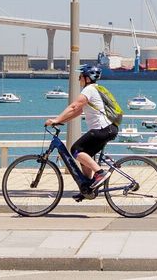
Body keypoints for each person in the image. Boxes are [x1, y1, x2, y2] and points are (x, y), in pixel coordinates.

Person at [46, 63, 118, 193]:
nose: (79, 79)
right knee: (86, 155)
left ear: (87, 78)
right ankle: (88, 189)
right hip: (109, 128)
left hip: (102, 129)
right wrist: (61, 121)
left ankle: (100, 173)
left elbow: (74, 106)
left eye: (80, 76)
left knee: (76, 150)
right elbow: (77, 112)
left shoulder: (89, 90)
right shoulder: (97, 89)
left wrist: (56, 119)